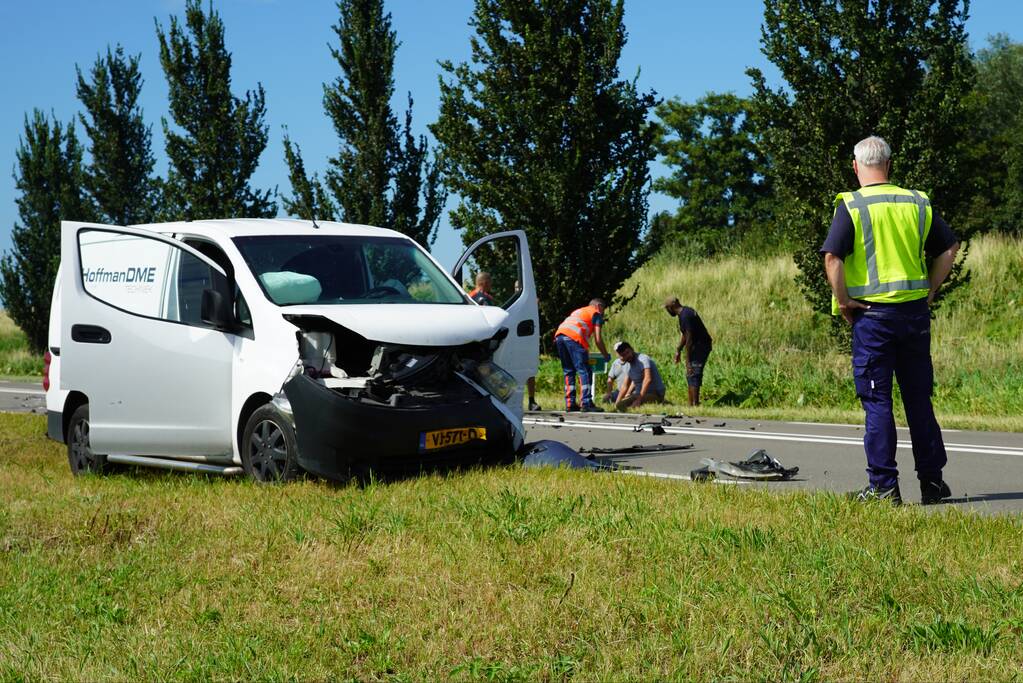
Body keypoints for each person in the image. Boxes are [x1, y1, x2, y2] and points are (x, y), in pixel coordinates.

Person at [821, 135, 959, 506]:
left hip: (872, 318)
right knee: (918, 399)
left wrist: (843, 299)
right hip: (914, 315)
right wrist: (929, 289)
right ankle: (932, 483)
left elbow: (832, 259)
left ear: (855, 166)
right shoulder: (916, 202)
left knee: (877, 400)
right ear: (889, 164)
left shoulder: (852, 204)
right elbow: (949, 248)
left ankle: (884, 487)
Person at [553, 298, 611, 412]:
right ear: (599, 306)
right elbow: (598, 339)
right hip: (574, 338)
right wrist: (605, 355)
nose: (603, 313)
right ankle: (586, 402)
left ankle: (570, 403)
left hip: (559, 336)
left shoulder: (579, 311)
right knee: (584, 370)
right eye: (603, 309)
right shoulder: (596, 313)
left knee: (568, 370)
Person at [664, 297, 712, 406]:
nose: (667, 311)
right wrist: (678, 349)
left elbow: (689, 340)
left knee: (693, 372)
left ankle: (695, 404)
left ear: (671, 307)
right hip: (698, 345)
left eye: (667, 308)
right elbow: (685, 334)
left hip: (700, 346)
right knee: (690, 375)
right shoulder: (684, 313)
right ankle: (691, 404)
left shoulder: (686, 316)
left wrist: (687, 361)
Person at [612, 341, 666, 410]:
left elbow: (647, 379)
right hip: (639, 394)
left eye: (627, 353)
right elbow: (625, 386)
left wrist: (638, 400)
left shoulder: (643, 359)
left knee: (629, 406)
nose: (627, 356)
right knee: (620, 405)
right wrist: (617, 403)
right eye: (624, 355)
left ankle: (660, 401)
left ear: (632, 349)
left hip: (654, 393)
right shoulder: (629, 364)